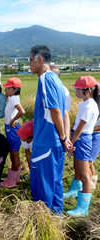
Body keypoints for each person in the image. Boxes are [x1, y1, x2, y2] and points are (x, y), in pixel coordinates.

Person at [29, 45, 74, 214]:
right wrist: (64, 138)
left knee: (43, 184)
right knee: (55, 181)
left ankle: (43, 222)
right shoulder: (57, 80)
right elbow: (64, 113)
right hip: (55, 141)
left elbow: (55, 110)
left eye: (30, 60)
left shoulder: (45, 78)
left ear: (40, 60)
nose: (29, 65)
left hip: (46, 141)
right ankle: (56, 218)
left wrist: (63, 137)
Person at [64, 76, 99, 217]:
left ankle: (83, 208)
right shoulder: (83, 104)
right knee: (78, 168)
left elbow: (80, 128)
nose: (75, 91)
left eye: (78, 89)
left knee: (85, 176)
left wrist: (71, 142)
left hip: (83, 139)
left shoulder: (90, 106)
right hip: (80, 138)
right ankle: (75, 193)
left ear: (88, 91)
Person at [0, 77, 25, 188]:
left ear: (15, 89)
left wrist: (12, 120)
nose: (6, 90)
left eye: (8, 88)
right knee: (14, 153)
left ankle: (12, 181)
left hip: (12, 129)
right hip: (10, 129)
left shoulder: (14, 99)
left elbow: (22, 111)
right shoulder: (12, 98)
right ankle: (16, 178)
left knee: (14, 154)